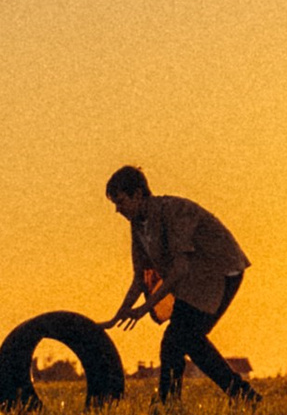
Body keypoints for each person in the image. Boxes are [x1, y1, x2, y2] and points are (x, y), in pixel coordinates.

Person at [104, 165, 254, 402]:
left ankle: (169, 406)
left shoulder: (173, 211)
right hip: (192, 279)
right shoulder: (138, 225)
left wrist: (144, 308)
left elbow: (179, 268)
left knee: (177, 340)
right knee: (187, 341)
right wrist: (119, 314)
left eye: (120, 201)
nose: (117, 210)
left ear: (139, 194)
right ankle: (242, 396)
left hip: (219, 271)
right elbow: (140, 277)